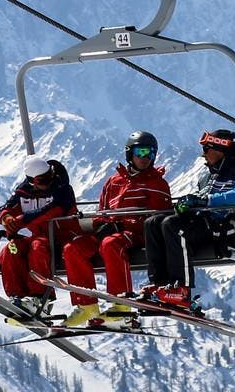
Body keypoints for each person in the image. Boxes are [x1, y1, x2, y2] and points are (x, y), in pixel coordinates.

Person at [61, 131, 172, 327]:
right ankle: (86, 306)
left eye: (151, 154)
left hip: (136, 233)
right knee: (73, 248)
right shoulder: (114, 181)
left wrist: (122, 224)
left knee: (111, 244)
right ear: (130, 153)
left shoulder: (157, 183)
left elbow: (158, 217)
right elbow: (102, 211)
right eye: (141, 152)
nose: (146, 158)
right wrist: (99, 225)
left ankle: (121, 304)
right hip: (110, 230)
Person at [141, 129, 235, 310]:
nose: (203, 154)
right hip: (206, 224)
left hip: (226, 228)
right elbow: (200, 197)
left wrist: (206, 201)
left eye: (206, 149)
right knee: (153, 222)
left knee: (173, 226)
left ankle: (182, 289)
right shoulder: (210, 175)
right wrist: (187, 206)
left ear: (219, 150)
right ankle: (161, 284)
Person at [0, 155, 77, 314]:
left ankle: (41, 298)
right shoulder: (23, 193)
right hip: (39, 236)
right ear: (32, 181)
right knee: (12, 248)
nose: (48, 183)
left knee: (37, 246)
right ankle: (17, 296)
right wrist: (6, 217)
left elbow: (54, 210)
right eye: (42, 180)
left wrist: (22, 220)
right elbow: (5, 209)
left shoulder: (62, 189)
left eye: (49, 177)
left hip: (62, 238)